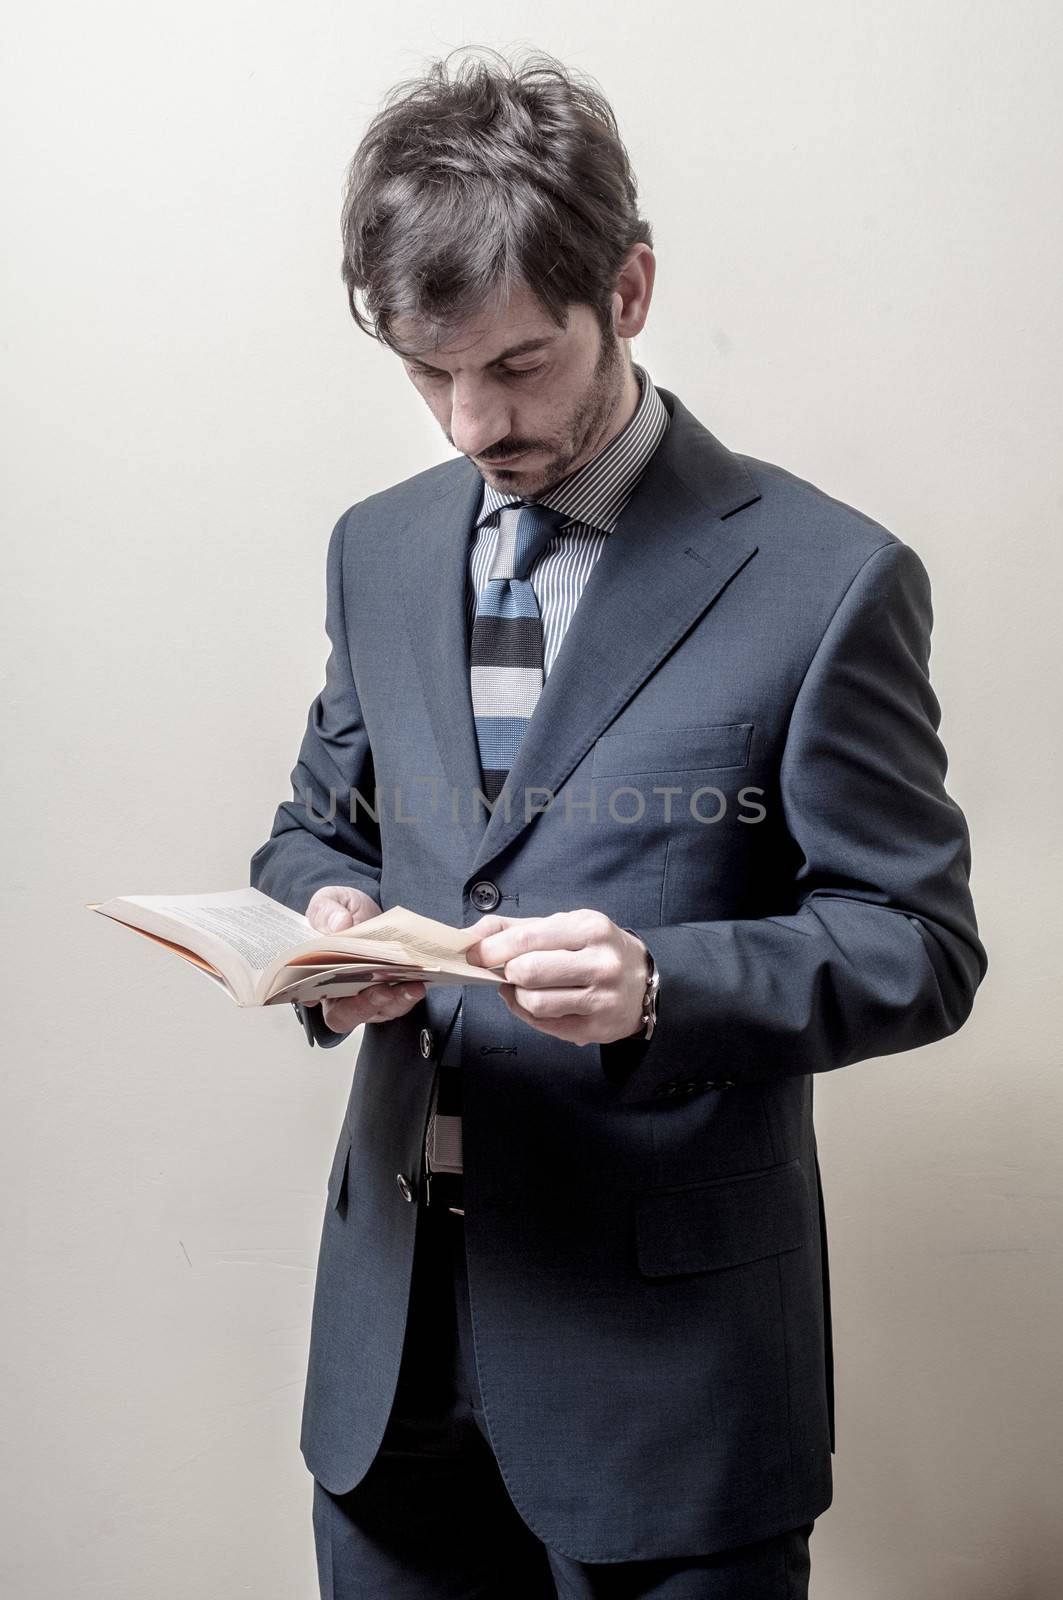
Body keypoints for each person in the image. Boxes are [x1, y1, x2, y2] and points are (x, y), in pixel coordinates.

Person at [249, 46, 988, 1599]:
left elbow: (917, 944)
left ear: (630, 290)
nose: (467, 421)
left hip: (673, 1378)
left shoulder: (828, 577)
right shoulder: (375, 552)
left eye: (514, 366)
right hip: (391, 1371)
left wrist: (662, 987)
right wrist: (325, 930)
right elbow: (316, 831)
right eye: (425, 370)